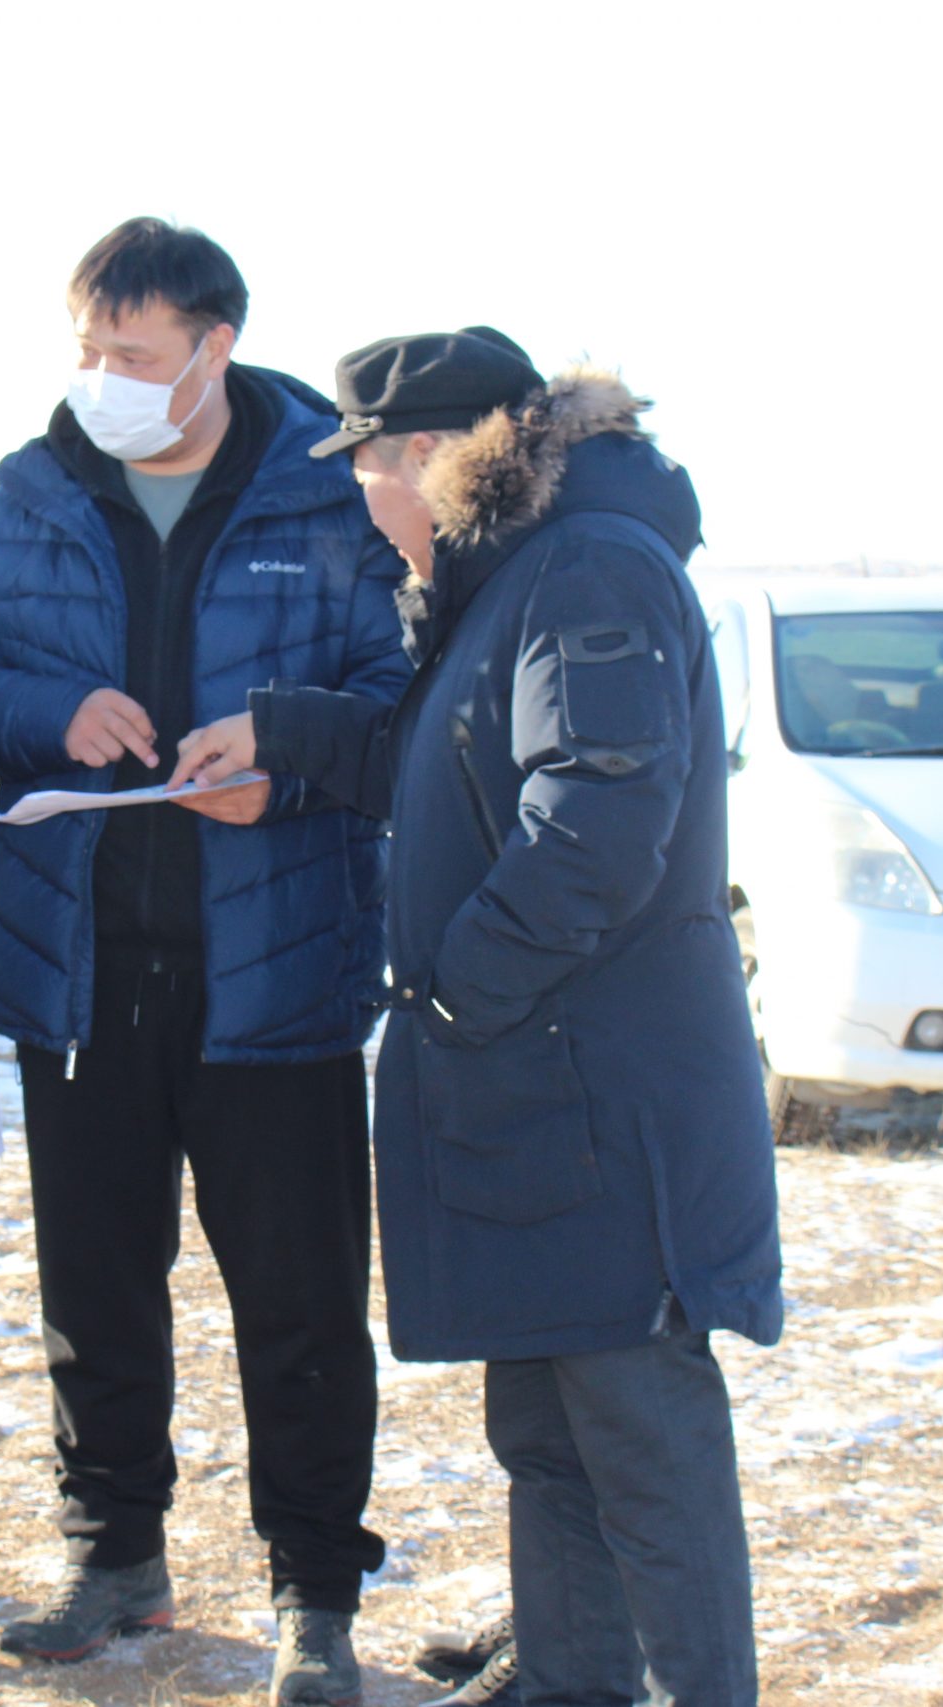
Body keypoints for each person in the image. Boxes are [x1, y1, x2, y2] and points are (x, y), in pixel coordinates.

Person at [171, 330, 785, 1707]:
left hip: (604, 1107)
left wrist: (457, 986)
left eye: (367, 470)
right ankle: (570, 1683)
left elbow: (596, 825)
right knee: (551, 1436)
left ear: (430, 458)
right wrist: (285, 730)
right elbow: (448, 762)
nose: (362, 501)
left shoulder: (586, 569)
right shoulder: (514, 576)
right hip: (543, 1100)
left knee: (642, 1441)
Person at [0, 218, 409, 1706]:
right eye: (88, 350)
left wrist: (285, 764)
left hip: (280, 972)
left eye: (133, 352)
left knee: (300, 1305)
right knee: (96, 1294)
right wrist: (51, 712)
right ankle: (113, 1552)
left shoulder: (331, 491)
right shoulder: (30, 494)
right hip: (81, 970)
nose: (103, 378)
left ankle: (315, 1592)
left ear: (215, 347)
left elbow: (402, 692)